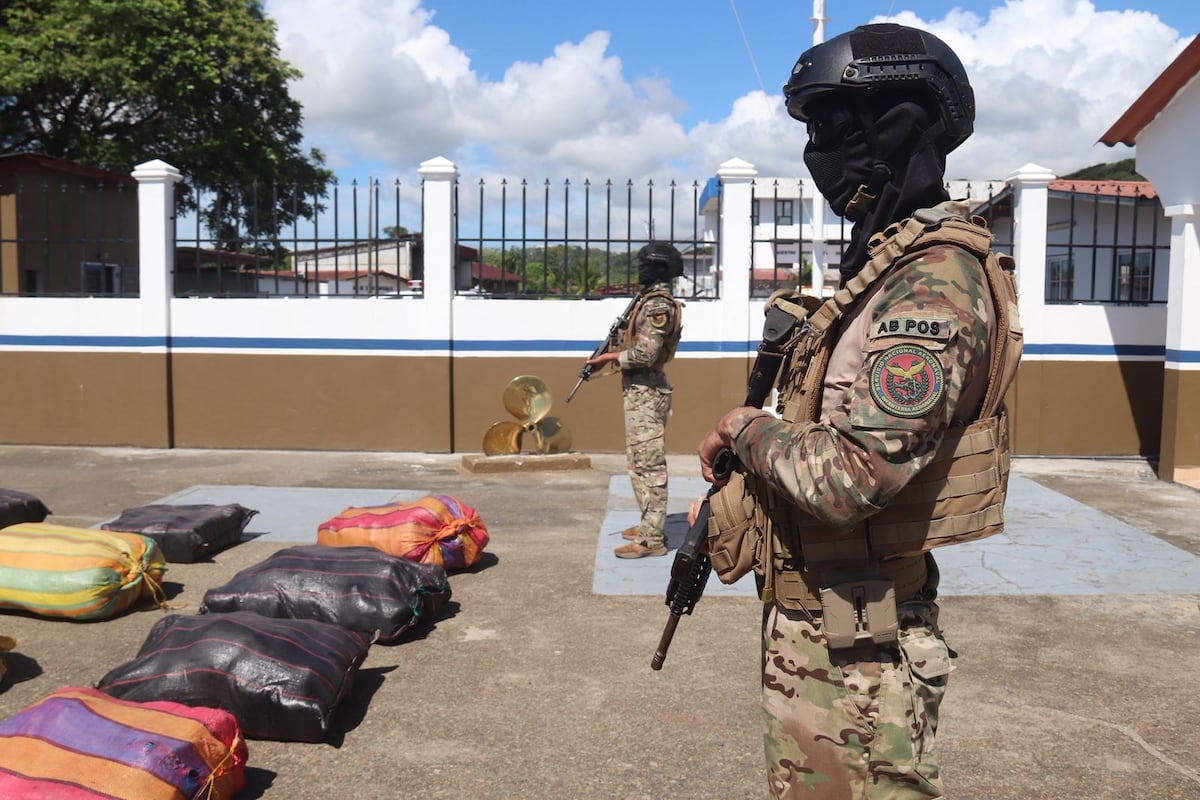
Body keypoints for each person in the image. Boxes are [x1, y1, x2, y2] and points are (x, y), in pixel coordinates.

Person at [694, 23, 1022, 799]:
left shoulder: (931, 284)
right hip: (828, 628)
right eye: (812, 133)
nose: (819, 153)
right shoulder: (884, 270)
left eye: (834, 128)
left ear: (899, 125)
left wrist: (746, 427)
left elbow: (851, 477)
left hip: (860, 650)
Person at [587, 242, 684, 559]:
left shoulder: (657, 306)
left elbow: (647, 354)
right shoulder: (647, 300)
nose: (640, 270)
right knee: (638, 464)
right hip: (640, 391)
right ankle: (649, 524)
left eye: (645, 265)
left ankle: (651, 539)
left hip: (648, 392)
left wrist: (611, 358)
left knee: (650, 467)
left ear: (659, 269)